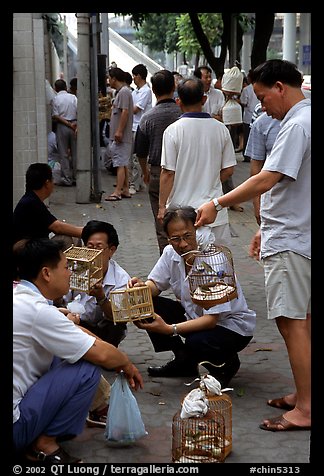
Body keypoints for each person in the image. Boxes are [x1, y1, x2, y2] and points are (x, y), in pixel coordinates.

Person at [195, 59, 311, 432]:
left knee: (291, 321)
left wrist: (216, 203)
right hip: (297, 231)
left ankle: (306, 408)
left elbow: (267, 178)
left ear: (280, 87)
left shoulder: (296, 125)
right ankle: (306, 394)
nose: (262, 106)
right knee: (305, 320)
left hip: (294, 238)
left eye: (263, 97)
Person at [13, 238, 143, 463]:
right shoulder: (38, 312)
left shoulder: (20, 296)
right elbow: (100, 354)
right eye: (65, 267)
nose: (70, 273)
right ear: (46, 273)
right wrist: (126, 364)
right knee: (86, 368)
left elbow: (79, 335)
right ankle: (44, 445)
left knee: (64, 353)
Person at [128, 206, 256, 386]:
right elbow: (156, 284)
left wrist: (169, 329)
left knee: (197, 341)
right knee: (148, 304)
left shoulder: (213, 261)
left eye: (188, 236)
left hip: (230, 327)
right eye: (176, 239)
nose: (183, 244)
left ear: (198, 231)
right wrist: (140, 289)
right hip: (195, 317)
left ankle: (225, 365)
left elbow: (211, 320)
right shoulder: (170, 253)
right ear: (168, 238)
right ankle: (184, 362)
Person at [158, 77, 236, 247]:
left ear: (178, 102)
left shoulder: (172, 131)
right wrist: (210, 180)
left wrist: (162, 207)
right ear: (204, 99)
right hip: (214, 212)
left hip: (181, 215)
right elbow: (229, 170)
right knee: (219, 266)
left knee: (184, 266)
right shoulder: (221, 129)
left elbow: (168, 173)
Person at [63, 220, 130, 348]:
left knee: (115, 326)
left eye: (98, 247)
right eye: (90, 247)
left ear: (111, 250)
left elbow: (119, 316)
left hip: (101, 328)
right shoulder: (74, 268)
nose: (93, 253)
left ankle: (107, 353)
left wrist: (101, 297)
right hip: (74, 321)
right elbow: (61, 300)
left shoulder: (121, 279)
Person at [135, 69, 181, 254]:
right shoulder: (183, 114)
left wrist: (145, 173)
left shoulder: (147, 118)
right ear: (174, 87)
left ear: (153, 90)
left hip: (157, 172)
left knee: (162, 223)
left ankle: (168, 263)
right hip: (184, 172)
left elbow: (140, 151)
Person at [13, 163, 83, 247]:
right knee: (66, 239)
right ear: (47, 183)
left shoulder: (31, 199)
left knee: (74, 236)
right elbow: (57, 227)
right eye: (52, 180)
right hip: (28, 252)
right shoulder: (31, 203)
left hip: (34, 246)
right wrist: (88, 232)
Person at [245, 110, 281, 225]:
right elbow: (256, 168)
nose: (263, 107)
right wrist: (257, 203)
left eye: (262, 98)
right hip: (273, 200)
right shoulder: (261, 123)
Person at [105, 67, 133, 201]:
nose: (108, 80)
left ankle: (118, 191)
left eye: (109, 77)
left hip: (121, 136)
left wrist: (119, 131)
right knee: (122, 162)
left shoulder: (124, 92)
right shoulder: (121, 92)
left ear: (114, 78)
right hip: (120, 135)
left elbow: (125, 112)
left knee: (119, 163)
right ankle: (125, 189)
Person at [129, 64, 152, 195]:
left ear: (139, 76)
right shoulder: (135, 91)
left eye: (134, 75)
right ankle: (137, 182)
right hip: (133, 126)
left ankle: (135, 184)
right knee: (133, 157)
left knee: (137, 157)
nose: (133, 78)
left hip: (140, 127)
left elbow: (136, 109)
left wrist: (124, 110)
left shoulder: (146, 91)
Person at [52, 79, 78, 186]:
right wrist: (74, 124)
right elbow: (79, 111)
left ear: (56, 88)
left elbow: (55, 115)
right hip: (75, 126)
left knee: (63, 154)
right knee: (76, 152)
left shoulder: (55, 99)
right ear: (66, 87)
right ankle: (78, 177)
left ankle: (67, 179)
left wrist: (67, 123)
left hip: (62, 126)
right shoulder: (73, 97)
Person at [239, 70, 259, 162]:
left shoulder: (246, 89)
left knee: (248, 137)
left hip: (248, 116)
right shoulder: (261, 87)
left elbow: (244, 102)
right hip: (259, 116)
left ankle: (247, 155)